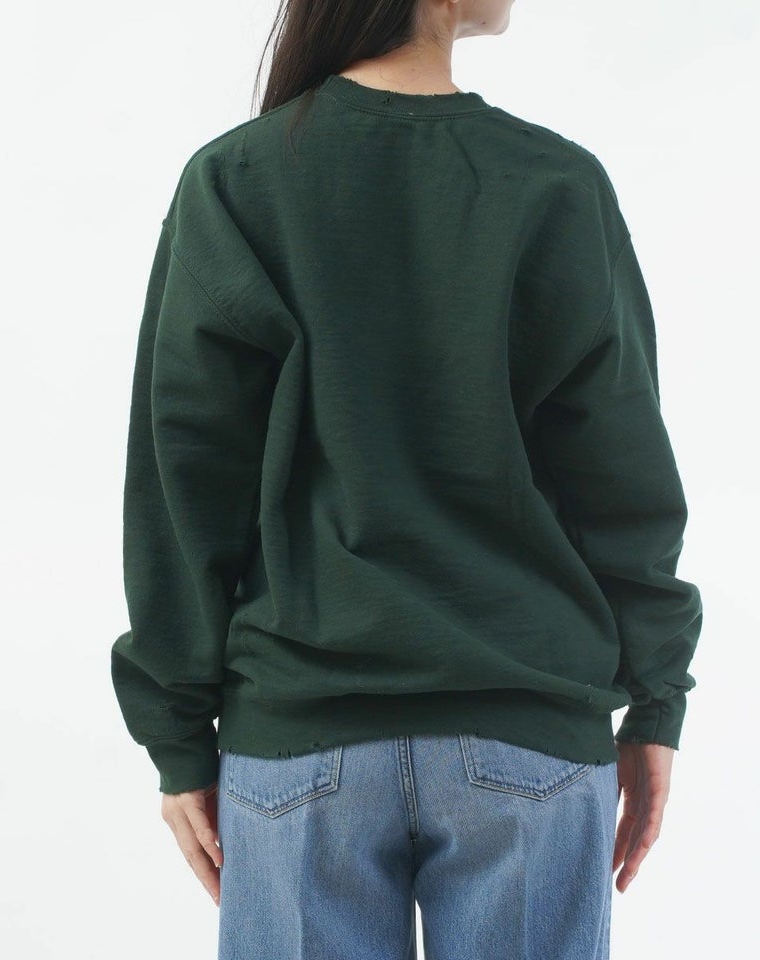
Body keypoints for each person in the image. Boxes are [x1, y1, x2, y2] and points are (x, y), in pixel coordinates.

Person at [110, 0, 703, 956]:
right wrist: (657, 699)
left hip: (300, 735)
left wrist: (178, 738)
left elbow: (184, 482)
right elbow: (623, 476)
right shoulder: (555, 182)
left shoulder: (239, 178)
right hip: (528, 729)